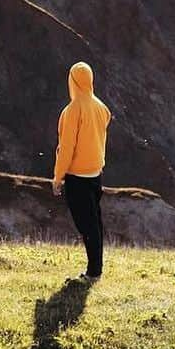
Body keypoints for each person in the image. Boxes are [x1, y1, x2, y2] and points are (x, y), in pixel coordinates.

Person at [52, 61, 111, 281]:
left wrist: (58, 177)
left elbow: (66, 148)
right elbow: (104, 124)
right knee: (94, 223)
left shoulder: (72, 110)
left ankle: (94, 272)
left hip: (77, 178)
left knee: (87, 226)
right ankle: (95, 268)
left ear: (72, 82)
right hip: (96, 175)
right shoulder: (100, 106)